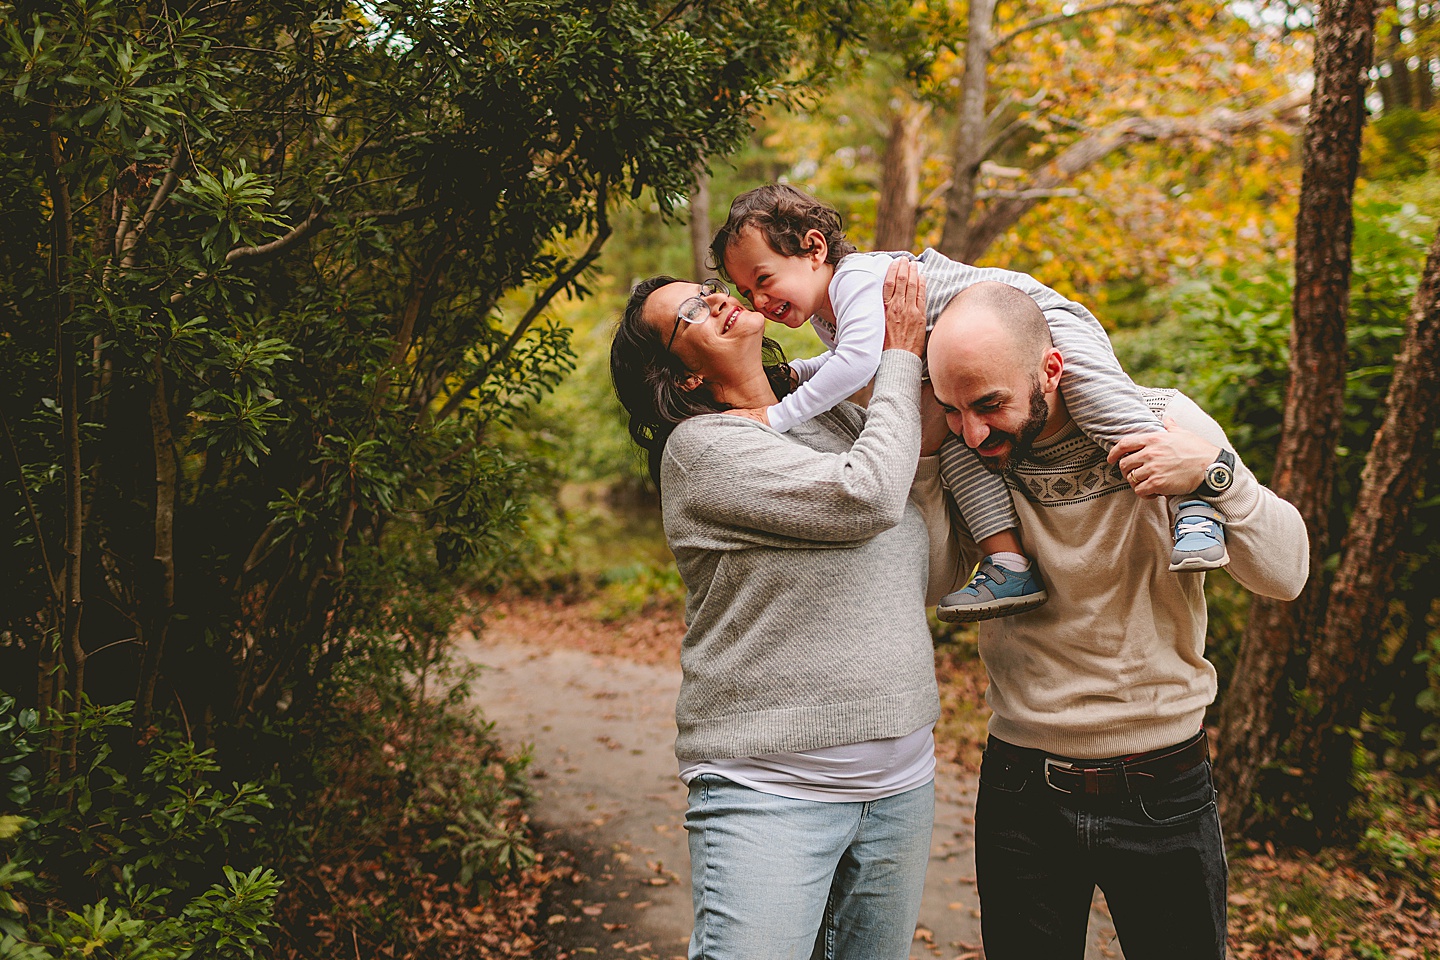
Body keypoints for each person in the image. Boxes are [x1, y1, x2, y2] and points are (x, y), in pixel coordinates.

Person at [924, 280, 1309, 960]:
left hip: (1163, 784)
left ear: (1052, 369)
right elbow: (929, 583)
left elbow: (1286, 575)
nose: (973, 431)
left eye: (989, 404)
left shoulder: (1160, 421)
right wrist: (929, 458)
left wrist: (1218, 475)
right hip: (1021, 788)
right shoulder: (968, 456)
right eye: (953, 409)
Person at [608, 259, 955, 960]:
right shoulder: (703, 450)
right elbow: (868, 497)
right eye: (691, 315)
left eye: (709, 292)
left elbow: (924, 542)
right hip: (770, 786)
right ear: (683, 378)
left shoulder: (833, 413)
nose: (716, 301)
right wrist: (897, 351)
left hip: (901, 783)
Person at [708, 183, 1232, 624]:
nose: (758, 301)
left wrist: (776, 415)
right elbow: (856, 358)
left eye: (764, 279)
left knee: (1100, 406)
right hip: (963, 378)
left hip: (1034, 322)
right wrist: (797, 372)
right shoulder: (829, 316)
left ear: (814, 248)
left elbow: (857, 365)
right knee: (962, 443)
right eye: (745, 290)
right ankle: (1007, 563)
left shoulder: (855, 281)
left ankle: (1190, 501)